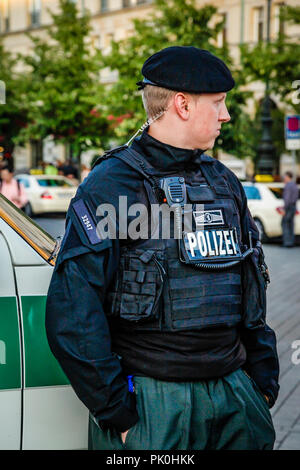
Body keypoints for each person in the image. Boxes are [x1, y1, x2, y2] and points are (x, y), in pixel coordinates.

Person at [45, 46, 279, 450]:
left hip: (235, 396)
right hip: (156, 406)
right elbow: (73, 309)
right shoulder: (112, 184)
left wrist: (262, 386)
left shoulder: (224, 182)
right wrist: (118, 413)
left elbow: (251, 288)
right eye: (219, 103)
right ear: (183, 105)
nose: (226, 115)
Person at [281, 171, 299, 247]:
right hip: (293, 206)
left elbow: (287, 198)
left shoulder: (288, 186)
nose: (284, 179)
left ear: (288, 177)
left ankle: (287, 243)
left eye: (285, 177)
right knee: (291, 224)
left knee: (285, 224)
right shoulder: (295, 185)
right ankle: (291, 242)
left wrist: (284, 209)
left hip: (288, 207)